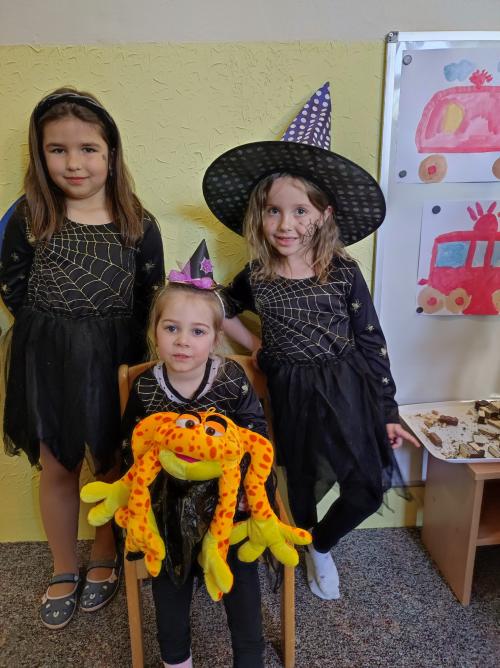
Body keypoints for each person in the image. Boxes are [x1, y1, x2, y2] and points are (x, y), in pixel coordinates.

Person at [202, 82, 420, 601]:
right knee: (299, 483)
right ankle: (301, 539)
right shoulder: (257, 276)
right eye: (274, 211)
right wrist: (252, 343)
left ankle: (321, 545)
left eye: (300, 211)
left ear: (323, 214)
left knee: (366, 487)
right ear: (258, 215)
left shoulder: (341, 270)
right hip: (291, 391)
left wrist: (387, 409)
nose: (286, 224)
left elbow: (372, 340)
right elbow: (218, 306)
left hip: (348, 386)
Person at [0, 87, 164, 628]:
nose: (74, 163)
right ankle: (63, 564)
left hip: (115, 359)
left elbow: (150, 296)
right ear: (40, 153)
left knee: (111, 463)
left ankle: (104, 554)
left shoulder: (137, 221)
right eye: (58, 150)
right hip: (47, 358)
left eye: (88, 149)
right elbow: (13, 284)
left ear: (111, 154)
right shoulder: (31, 216)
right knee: (57, 464)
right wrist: (55, 333)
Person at [120, 241, 269, 668]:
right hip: (169, 504)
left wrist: (238, 481)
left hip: (228, 501)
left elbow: (255, 435)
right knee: (168, 578)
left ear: (216, 338)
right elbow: (131, 444)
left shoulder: (230, 379)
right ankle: (176, 658)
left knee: (240, 575)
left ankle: (249, 656)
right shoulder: (147, 387)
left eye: (198, 332)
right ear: (154, 332)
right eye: (171, 328)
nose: (183, 341)